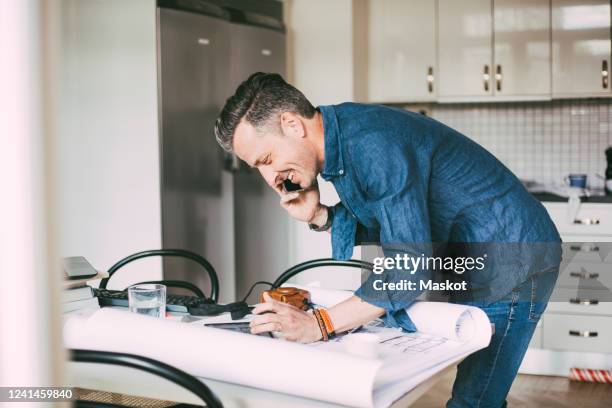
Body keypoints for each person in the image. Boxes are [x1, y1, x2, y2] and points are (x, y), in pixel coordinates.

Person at [214, 72, 561, 407]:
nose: (270, 178)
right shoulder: (342, 144)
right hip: (470, 259)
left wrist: (321, 324)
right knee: (478, 391)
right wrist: (320, 216)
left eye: (268, 160)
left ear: (292, 124)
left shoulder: (371, 145)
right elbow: (398, 227)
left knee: (475, 398)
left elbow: (407, 271)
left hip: (513, 256)